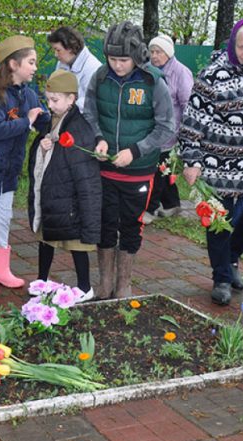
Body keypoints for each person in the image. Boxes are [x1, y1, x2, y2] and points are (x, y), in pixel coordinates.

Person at [179, 18, 243, 306]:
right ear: (233, 43)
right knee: (218, 222)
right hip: (219, 165)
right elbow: (191, 123)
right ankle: (221, 277)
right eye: (242, 46)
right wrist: (191, 160)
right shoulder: (213, 75)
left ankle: (232, 256)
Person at [83, 21, 175, 299]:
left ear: (137, 56)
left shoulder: (153, 82)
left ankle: (124, 283)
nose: (117, 65)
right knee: (105, 224)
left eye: (123, 60)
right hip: (105, 170)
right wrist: (98, 138)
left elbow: (167, 127)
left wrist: (135, 150)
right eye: (112, 59)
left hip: (139, 171)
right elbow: (90, 114)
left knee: (131, 224)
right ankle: (105, 283)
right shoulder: (100, 78)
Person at [0, 35, 49, 292]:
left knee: (3, 218)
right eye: (31, 62)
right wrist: (26, 121)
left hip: (9, 170)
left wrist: (53, 119)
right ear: (14, 65)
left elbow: (40, 122)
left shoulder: (29, 94)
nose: (35, 67)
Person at [27, 70, 102, 300]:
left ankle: (85, 287)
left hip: (70, 200)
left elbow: (85, 176)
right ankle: (42, 280)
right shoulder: (55, 120)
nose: (50, 105)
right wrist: (43, 146)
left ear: (71, 99)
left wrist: (87, 212)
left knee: (77, 245)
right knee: (45, 239)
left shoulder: (78, 128)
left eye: (55, 100)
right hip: (54, 195)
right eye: (48, 99)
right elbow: (41, 152)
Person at [143, 34, 194, 224]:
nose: (154, 56)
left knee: (158, 169)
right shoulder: (149, 70)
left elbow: (188, 104)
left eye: (159, 52)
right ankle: (172, 203)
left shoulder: (181, 72)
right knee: (162, 167)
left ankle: (151, 207)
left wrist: (185, 132)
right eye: (152, 51)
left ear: (169, 53)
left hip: (170, 130)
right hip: (152, 127)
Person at [47, 26, 103, 110]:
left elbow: (91, 101)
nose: (55, 54)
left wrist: (66, 106)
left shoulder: (93, 68)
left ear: (70, 48)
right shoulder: (62, 63)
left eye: (58, 50)